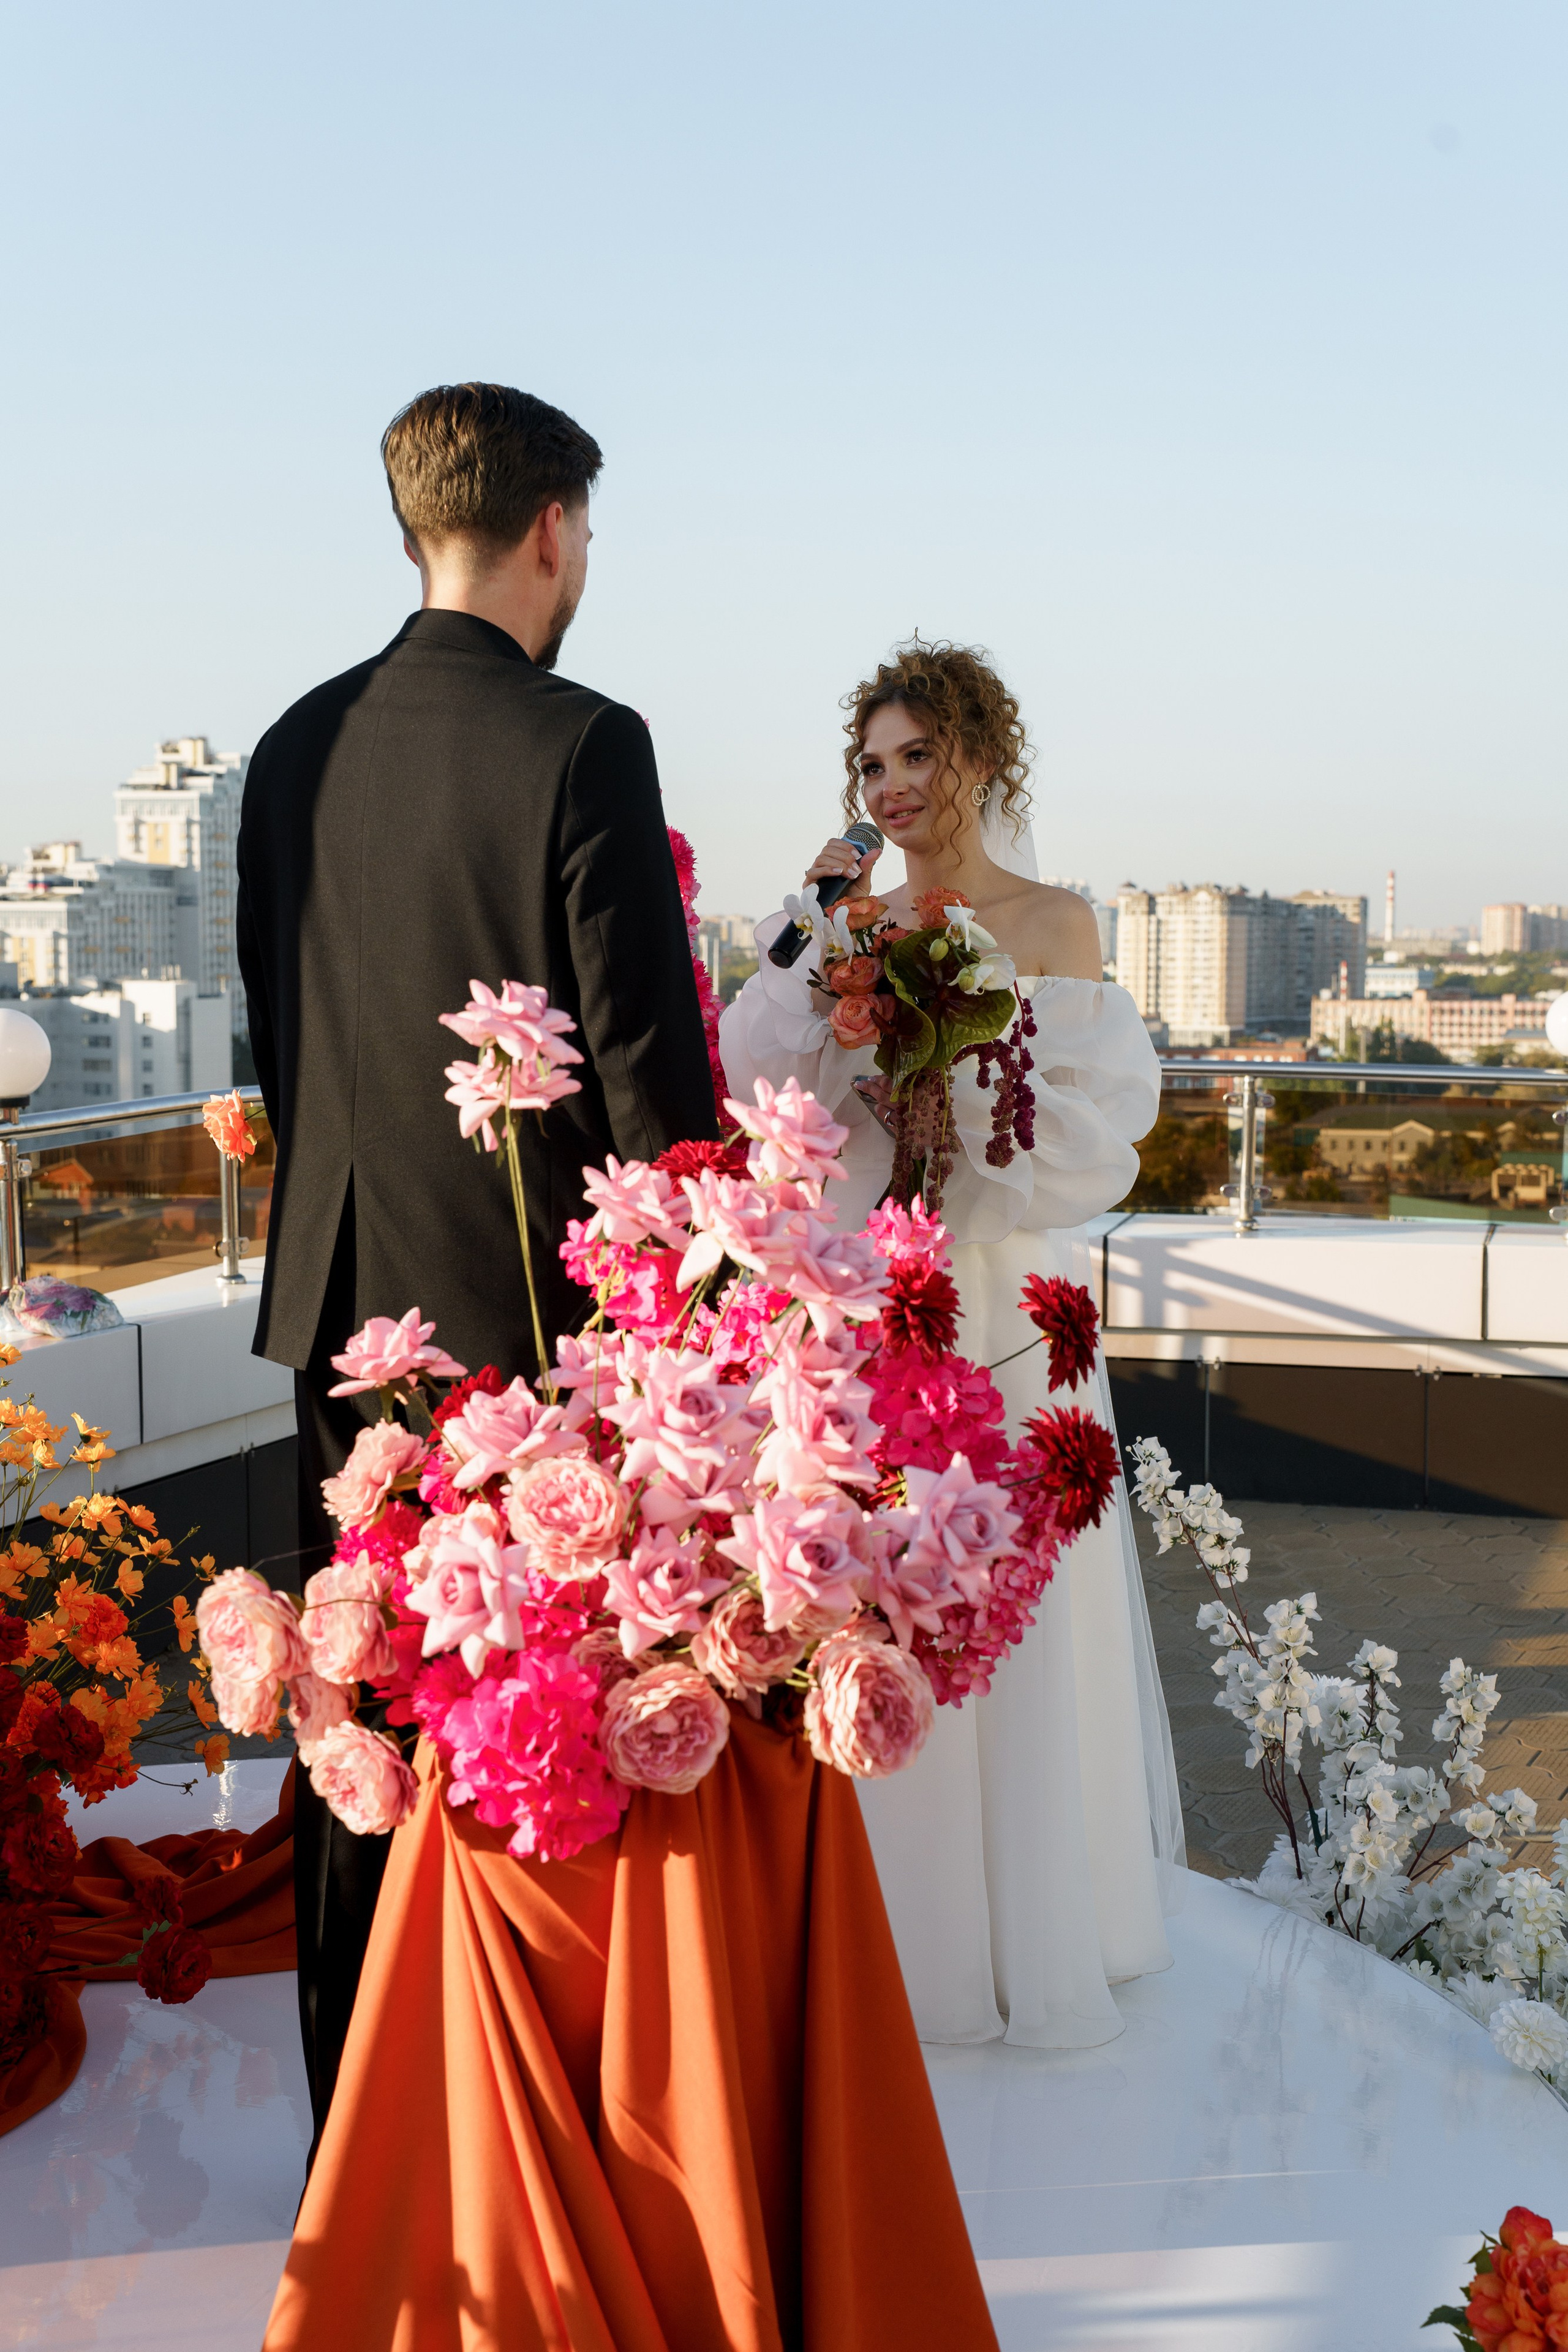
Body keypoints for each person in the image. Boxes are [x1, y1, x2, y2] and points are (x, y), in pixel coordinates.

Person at [235, 382, 718, 2146]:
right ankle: (524, 2139)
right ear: (551, 530)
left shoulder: (290, 745)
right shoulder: (585, 742)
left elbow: (286, 1039)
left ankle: (359, 2127)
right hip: (529, 1329)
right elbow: (654, 1092)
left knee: (354, 1715)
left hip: (338, 1313)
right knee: (529, 1728)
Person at [719, 636, 1185, 2049]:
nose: (892, 785)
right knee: (879, 1598)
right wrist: (811, 920)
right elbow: (752, 1071)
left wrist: (956, 1119)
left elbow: (1086, 1145)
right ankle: (890, 1931)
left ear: (977, 757)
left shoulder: (1054, 924)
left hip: (998, 1302)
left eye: (917, 754)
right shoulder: (843, 924)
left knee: (1012, 1602)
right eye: (871, 764)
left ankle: (1031, 1928)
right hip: (876, 1302)